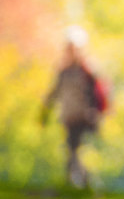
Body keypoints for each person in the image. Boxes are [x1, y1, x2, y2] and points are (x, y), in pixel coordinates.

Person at [43, 31, 107, 188]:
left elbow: (96, 94)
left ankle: (84, 179)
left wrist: (96, 113)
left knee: (81, 149)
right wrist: (45, 112)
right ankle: (74, 180)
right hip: (69, 116)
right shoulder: (63, 72)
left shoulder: (87, 71)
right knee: (71, 148)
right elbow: (54, 93)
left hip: (84, 116)